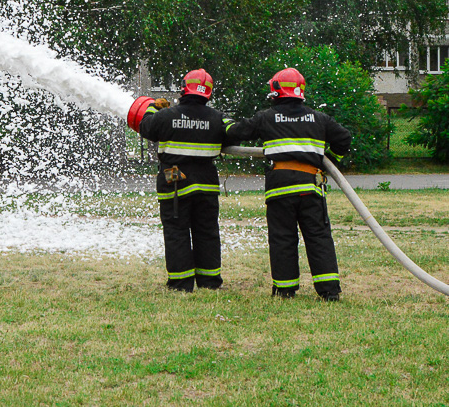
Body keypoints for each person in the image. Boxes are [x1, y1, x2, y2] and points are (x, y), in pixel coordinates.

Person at [225, 67, 351, 301]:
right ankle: (329, 291)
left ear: (276, 91)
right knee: (318, 236)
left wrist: (221, 125)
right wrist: (329, 161)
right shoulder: (318, 118)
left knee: (282, 237)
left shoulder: (266, 117)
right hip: (310, 186)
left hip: (280, 188)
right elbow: (344, 138)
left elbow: (236, 132)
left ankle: (285, 290)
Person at [126, 69, 233, 292]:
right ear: (209, 93)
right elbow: (234, 132)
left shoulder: (166, 115)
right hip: (206, 185)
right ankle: (210, 282)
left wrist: (152, 107)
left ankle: (181, 283)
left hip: (175, 183)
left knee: (177, 231)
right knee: (207, 232)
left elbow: (145, 126)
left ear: (184, 88)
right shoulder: (217, 118)